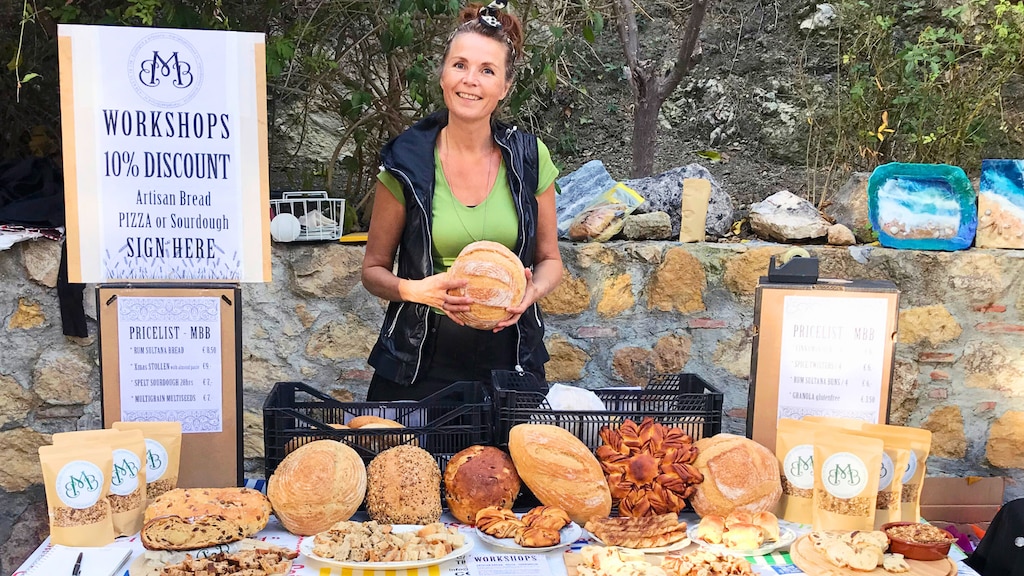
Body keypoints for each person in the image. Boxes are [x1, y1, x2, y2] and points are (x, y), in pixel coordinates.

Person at [361, 1, 563, 401]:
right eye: (460, 65)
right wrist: (416, 291)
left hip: (511, 356)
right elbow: (373, 270)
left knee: (504, 465)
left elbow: (551, 261)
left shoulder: (529, 157)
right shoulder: (406, 161)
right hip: (420, 357)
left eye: (487, 70)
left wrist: (531, 293)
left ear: (504, 87)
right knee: (406, 463)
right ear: (443, 75)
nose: (470, 80)